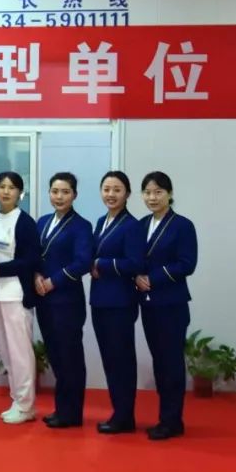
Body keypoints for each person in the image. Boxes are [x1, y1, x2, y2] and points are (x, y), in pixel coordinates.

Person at [136, 171, 198, 441]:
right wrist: (136, 276)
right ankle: (166, 417)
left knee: (171, 363)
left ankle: (172, 420)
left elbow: (187, 264)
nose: (152, 197)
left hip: (172, 304)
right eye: (148, 192)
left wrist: (153, 278)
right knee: (159, 362)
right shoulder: (141, 225)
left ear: (169, 194)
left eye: (158, 192)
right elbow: (135, 260)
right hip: (148, 304)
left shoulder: (182, 225)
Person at [35, 171, 94, 429]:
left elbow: (82, 262)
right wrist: (36, 275)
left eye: (65, 192)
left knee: (70, 357)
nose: (59, 197)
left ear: (74, 195)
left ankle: (72, 413)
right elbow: (34, 255)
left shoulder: (81, 226)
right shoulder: (42, 222)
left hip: (67, 300)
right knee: (55, 355)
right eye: (55, 191)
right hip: (44, 299)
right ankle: (61, 409)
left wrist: (53, 281)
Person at [90, 170, 144, 434]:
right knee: (109, 359)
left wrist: (102, 263)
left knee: (121, 360)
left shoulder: (132, 225)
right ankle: (119, 412)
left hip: (120, 302)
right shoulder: (101, 221)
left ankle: (124, 416)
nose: (111, 194)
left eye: (117, 190)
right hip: (100, 300)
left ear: (127, 194)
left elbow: (135, 263)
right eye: (106, 189)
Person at [0, 171, 40, 424]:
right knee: (6, 351)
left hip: (16, 294)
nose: (6, 191)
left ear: (20, 193)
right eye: (2, 186)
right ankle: (16, 399)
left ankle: (26, 404)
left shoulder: (25, 222)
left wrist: (0, 269)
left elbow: (31, 259)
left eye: (12, 187)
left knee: (20, 352)